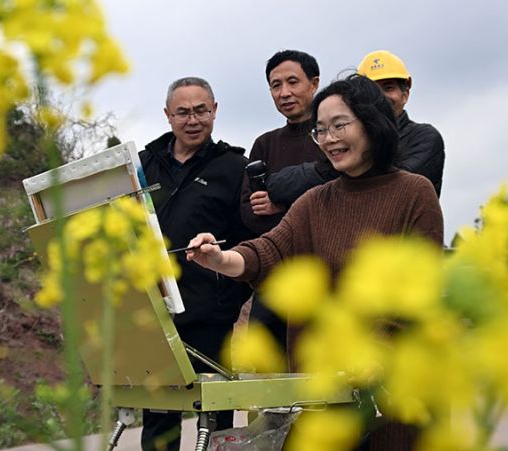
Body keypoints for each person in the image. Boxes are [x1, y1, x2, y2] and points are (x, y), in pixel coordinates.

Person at [187, 74, 443, 451]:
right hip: (325, 397)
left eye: (340, 125)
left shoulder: (414, 193)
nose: (329, 139)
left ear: (372, 122)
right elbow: (269, 252)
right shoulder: (314, 201)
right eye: (320, 130)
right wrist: (221, 258)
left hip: (394, 396)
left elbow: (418, 294)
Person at [138, 77, 252, 451]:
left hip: (210, 314)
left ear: (215, 111)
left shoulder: (235, 167)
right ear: (168, 116)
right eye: (183, 112)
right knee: (159, 417)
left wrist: (229, 295)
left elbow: (247, 239)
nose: (193, 120)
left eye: (201, 110)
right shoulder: (144, 163)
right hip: (157, 313)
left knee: (217, 416)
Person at [239, 50, 333, 352]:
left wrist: (280, 204)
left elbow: (338, 197)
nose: (285, 93)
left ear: (314, 83)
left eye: (293, 82)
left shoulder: (331, 137)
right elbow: (249, 212)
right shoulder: (265, 144)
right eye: (275, 85)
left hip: (326, 275)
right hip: (274, 275)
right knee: (267, 370)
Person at [266, 49, 445, 205]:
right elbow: (276, 186)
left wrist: (335, 167)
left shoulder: (424, 138)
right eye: (372, 89)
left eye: (388, 88)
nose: (380, 97)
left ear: (405, 94)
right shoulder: (340, 137)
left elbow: (385, 186)